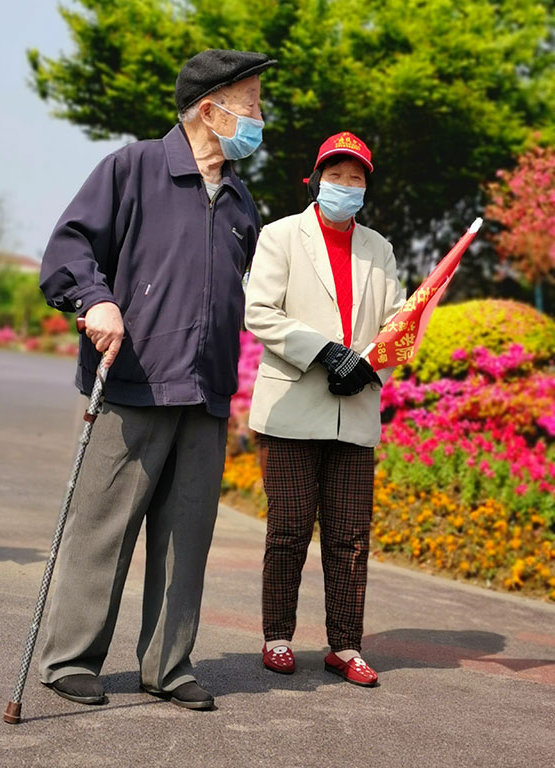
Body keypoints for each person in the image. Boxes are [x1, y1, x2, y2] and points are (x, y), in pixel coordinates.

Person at [38, 48, 276, 711]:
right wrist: (95, 299)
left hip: (205, 392)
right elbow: (68, 248)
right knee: (103, 528)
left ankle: (167, 666)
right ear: (210, 109)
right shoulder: (134, 167)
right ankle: (70, 658)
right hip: (134, 382)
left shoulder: (240, 201)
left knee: (186, 537)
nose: (259, 118)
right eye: (251, 104)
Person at [245, 132, 405, 686]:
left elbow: (398, 327)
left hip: (354, 412)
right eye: (335, 176)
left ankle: (345, 645)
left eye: (355, 178)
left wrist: (369, 367)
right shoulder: (280, 235)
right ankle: (277, 636)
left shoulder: (380, 250)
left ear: (366, 188)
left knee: (350, 538)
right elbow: (260, 312)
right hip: (292, 408)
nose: (345, 185)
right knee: (289, 530)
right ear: (315, 180)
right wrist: (325, 352)